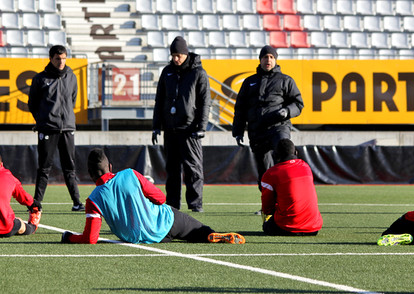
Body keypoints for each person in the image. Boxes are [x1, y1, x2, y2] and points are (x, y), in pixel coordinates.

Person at [61, 148, 245, 245]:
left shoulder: (93, 199)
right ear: (110, 167)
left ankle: (204, 234)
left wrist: (69, 237)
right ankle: (210, 234)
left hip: (138, 238)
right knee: (196, 229)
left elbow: (91, 238)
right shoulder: (130, 174)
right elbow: (161, 199)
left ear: (90, 174)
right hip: (165, 224)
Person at [152, 36, 211, 213]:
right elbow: (159, 100)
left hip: (190, 130)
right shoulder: (167, 72)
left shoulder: (198, 73)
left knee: (193, 169)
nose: (175, 59)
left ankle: (195, 205)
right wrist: (156, 126)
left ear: (185, 54)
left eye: (178, 55)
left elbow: (204, 102)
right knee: (172, 171)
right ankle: (172, 205)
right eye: (173, 55)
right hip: (170, 130)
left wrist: (201, 127)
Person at [232, 45, 304, 190]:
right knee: (264, 171)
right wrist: (238, 131)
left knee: (285, 160)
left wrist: (287, 111)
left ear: (276, 60)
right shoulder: (249, 82)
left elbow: (298, 103)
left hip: (279, 127)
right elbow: (240, 108)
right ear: (260, 60)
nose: (268, 60)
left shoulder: (286, 80)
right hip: (257, 130)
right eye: (265, 57)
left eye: (271, 57)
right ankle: (268, 205)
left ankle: (289, 196)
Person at [28, 45, 84, 212]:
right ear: (51, 59)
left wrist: (65, 119)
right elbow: (33, 104)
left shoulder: (72, 77)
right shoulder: (39, 79)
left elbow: (72, 100)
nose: (61, 62)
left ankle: (77, 202)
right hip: (47, 129)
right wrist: (43, 120)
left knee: (70, 167)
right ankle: (37, 203)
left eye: (64, 58)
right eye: (58, 58)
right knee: (44, 167)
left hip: (67, 128)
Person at [260, 139, 323, 236]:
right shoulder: (306, 166)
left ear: (275, 155)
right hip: (313, 228)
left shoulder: (271, 173)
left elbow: (267, 208)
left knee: (267, 226)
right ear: (296, 152)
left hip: (287, 227)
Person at [0, 153, 41, 238]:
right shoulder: (8, 176)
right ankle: (33, 226)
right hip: (6, 227)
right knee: (20, 224)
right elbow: (24, 197)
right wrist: (34, 204)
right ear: (1, 164)